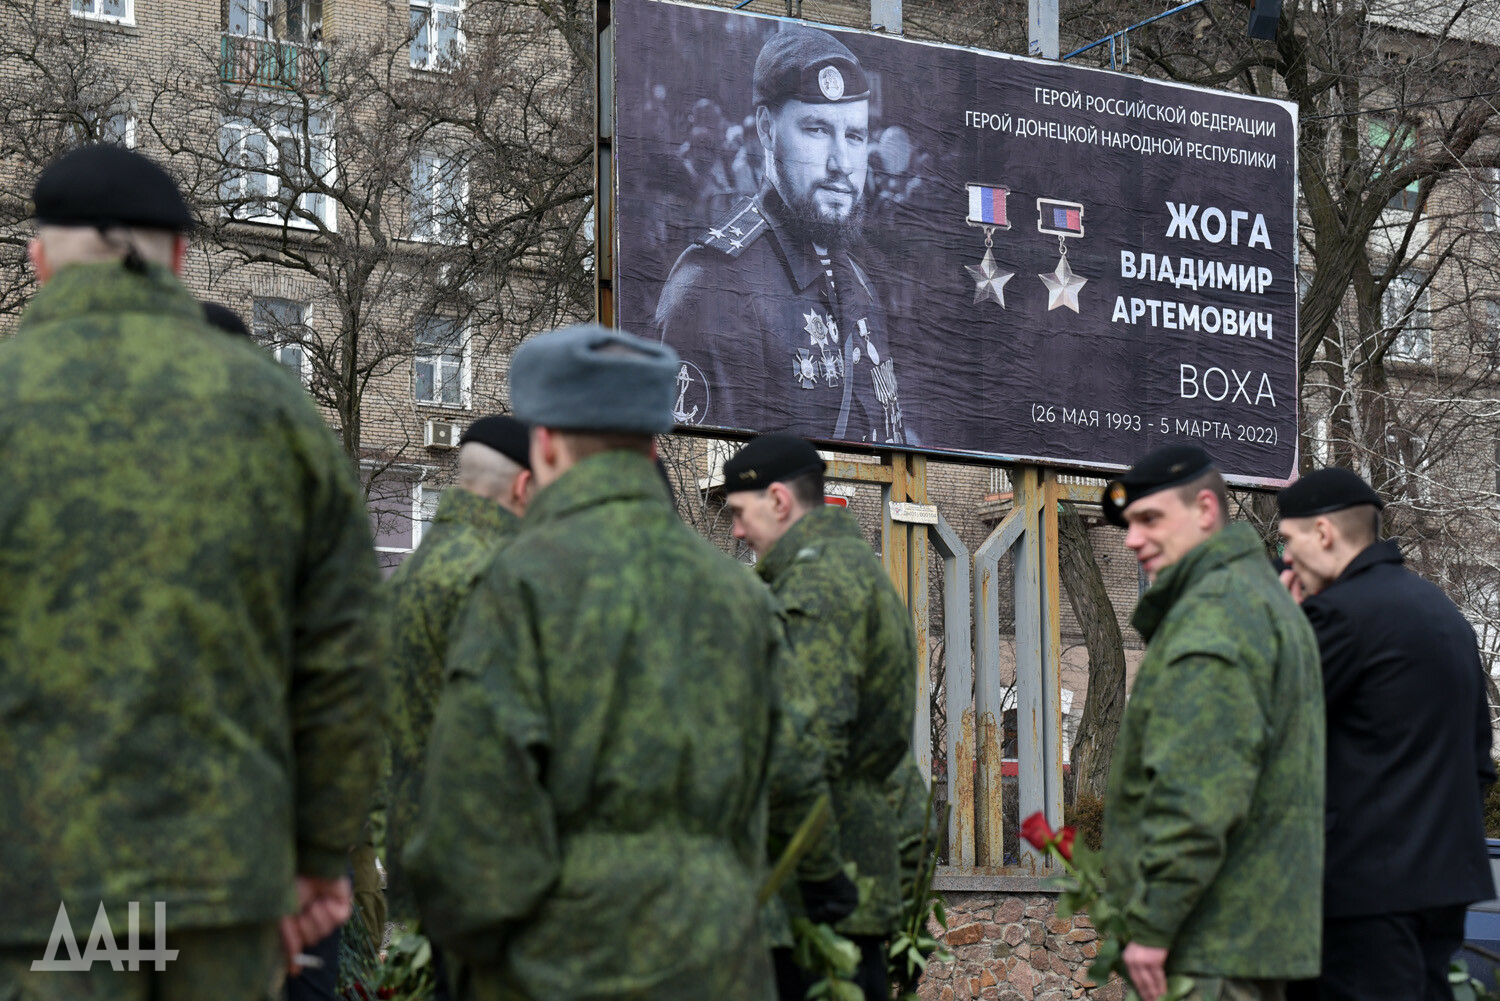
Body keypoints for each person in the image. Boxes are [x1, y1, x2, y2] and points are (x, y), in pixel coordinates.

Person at [0, 145, 383, 998]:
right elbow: (345, 662)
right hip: (227, 889)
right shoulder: (278, 412)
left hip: (48, 890)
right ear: (179, 257)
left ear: (38, 257)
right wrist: (321, 858)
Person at [406, 325, 828, 1001]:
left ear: (543, 442)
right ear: (652, 444)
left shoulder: (517, 587)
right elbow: (801, 789)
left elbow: (472, 825)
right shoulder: (740, 595)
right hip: (721, 964)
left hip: (560, 966)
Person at [1098, 444, 1324, 1001]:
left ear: (1204, 510)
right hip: (1239, 936)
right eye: (1129, 524)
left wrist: (1152, 925)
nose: (1132, 539)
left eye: (1150, 519)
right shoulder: (1258, 597)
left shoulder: (1214, 614)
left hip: (1205, 946)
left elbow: (1199, 791)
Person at [1276, 469, 1495, 1001]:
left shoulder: (1338, 615)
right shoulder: (1447, 616)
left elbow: (1270, 731)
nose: (1286, 559)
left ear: (1323, 534)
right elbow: (1479, 765)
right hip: (1443, 888)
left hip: (1359, 897)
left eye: (1288, 540)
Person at [721, 433, 918, 1001]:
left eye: (740, 512)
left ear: (779, 501)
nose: (735, 530)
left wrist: (817, 871)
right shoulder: (846, 569)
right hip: (847, 878)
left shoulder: (817, 584)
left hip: (816, 894)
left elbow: (803, 743)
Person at [653, 27, 911, 446]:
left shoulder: (858, 283)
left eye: (854, 136)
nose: (841, 163)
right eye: (817, 130)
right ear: (767, 130)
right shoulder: (714, 284)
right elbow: (699, 479)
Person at [381, 414, 534, 930]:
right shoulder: (500, 573)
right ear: (524, 485)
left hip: (415, 840)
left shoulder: (414, 570)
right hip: (487, 858)